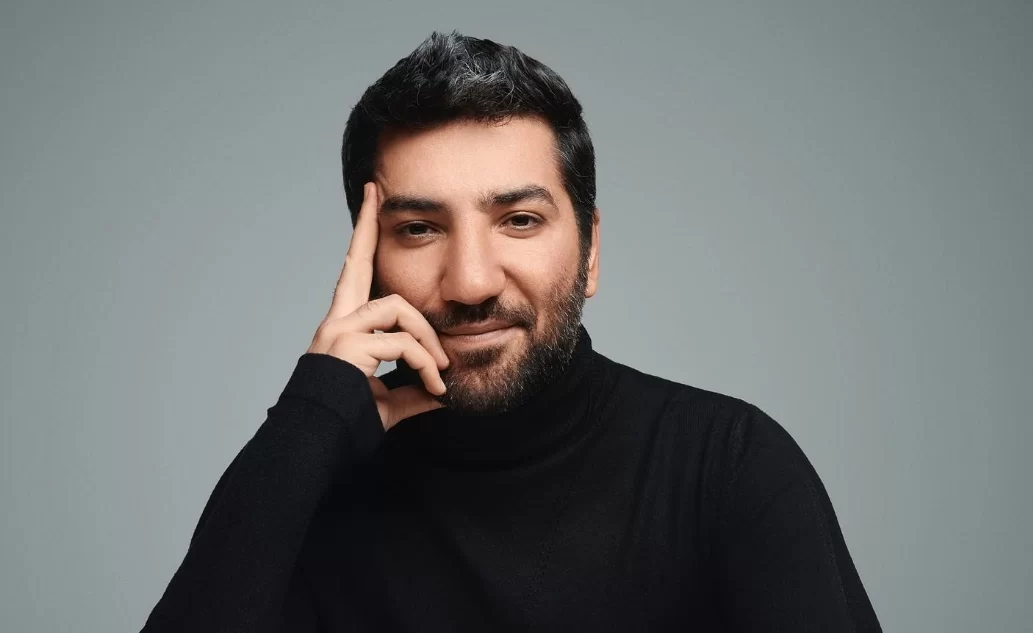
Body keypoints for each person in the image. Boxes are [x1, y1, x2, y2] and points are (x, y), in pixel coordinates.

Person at [140, 31, 882, 632]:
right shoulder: (309, 486)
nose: (471, 283)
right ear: (365, 261)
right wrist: (309, 417)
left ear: (590, 250)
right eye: (419, 228)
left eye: (519, 220)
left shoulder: (727, 464)